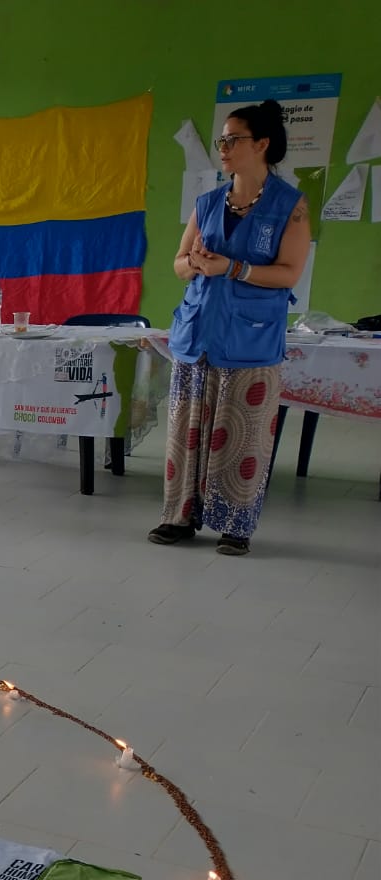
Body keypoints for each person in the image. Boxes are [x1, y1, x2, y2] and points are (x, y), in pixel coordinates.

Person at [150, 99, 310, 556]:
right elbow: (179, 263)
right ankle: (179, 517)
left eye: (232, 139)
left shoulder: (289, 206)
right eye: (221, 139)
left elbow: (288, 273)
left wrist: (232, 269)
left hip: (250, 340)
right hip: (197, 335)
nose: (223, 147)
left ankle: (234, 525)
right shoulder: (207, 203)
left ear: (261, 145)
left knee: (241, 434)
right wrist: (197, 265)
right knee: (187, 432)